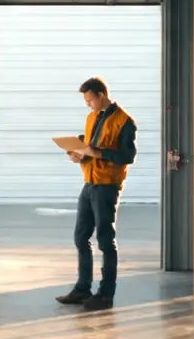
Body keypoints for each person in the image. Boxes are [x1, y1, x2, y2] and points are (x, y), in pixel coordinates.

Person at [56, 77, 136, 311]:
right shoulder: (91, 118)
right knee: (81, 238)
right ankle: (83, 289)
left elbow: (127, 156)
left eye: (90, 100)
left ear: (101, 95)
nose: (88, 105)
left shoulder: (125, 121)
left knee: (105, 241)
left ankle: (105, 295)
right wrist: (79, 154)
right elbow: (90, 146)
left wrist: (97, 153)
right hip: (89, 183)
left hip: (107, 186)